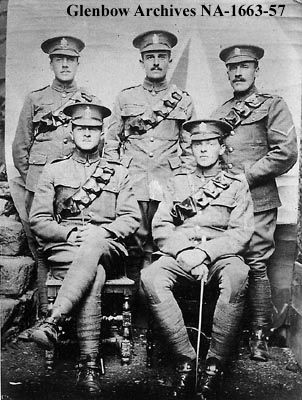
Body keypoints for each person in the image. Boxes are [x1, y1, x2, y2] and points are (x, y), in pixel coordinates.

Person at [28, 103, 141, 394]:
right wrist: (68, 231)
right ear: (71, 130)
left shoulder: (117, 173)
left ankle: (53, 320)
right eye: (81, 128)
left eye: (93, 128)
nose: (87, 133)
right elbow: (38, 219)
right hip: (68, 247)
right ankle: (89, 364)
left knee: (95, 250)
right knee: (95, 273)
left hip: (109, 246)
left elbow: (131, 219)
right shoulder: (55, 171)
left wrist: (101, 231)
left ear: (102, 132)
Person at [141, 119, 254, 399]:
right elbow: (161, 226)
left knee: (237, 275)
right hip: (181, 254)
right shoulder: (176, 183)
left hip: (219, 256)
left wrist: (205, 253)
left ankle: (214, 364)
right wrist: (185, 253)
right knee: (151, 276)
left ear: (221, 147)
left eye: (209, 144)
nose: (203, 150)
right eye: (198, 144)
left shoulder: (236, 184)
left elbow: (241, 233)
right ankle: (186, 360)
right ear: (191, 149)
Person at [211, 45, 297, 361]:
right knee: (228, 261)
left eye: (245, 66)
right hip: (224, 203)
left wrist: (245, 178)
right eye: (232, 68)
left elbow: (285, 153)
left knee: (257, 262)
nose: (238, 72)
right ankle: (226, 334)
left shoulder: (272, 105)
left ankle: (259, 336)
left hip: (258, 199)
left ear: (256, 69)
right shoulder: (220, 114)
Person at [12, 35, 97, 315]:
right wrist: (36, 180)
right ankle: (43, 314)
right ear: (51, 63)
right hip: (40, 184)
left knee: (74, 242)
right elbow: (21, 147)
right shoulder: (35, 99)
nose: (64, 64)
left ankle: (73, 312)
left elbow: (97, 148)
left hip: (76, 185)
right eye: (59, 59)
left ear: (78, 63)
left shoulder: (89, 101)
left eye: (70, 59)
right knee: (43, 248)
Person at [103, 30, 195, 269]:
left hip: (168, 183)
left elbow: (190, 147)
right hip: (134, 183)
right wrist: (119, 176)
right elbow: (111, 141)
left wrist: (181, 181)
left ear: (169, 60)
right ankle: (131, 305)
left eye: (161, 56)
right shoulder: (125, 98)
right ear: (141, 61)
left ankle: (157, 303)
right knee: (133, 246)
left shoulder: (183, 100)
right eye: (150, 56)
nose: (156, 62)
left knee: (165, 244)